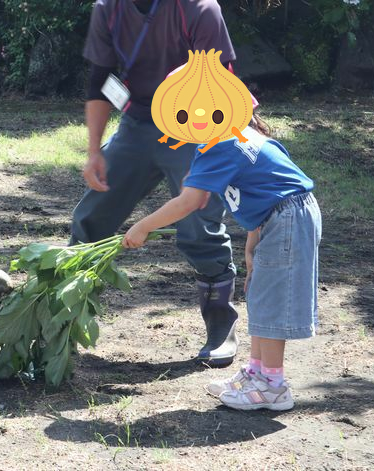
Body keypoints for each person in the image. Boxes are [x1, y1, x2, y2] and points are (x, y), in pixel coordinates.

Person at [76, 0, 241, 367]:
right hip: (137, 123)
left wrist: (205, 153)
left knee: (198, 224)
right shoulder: (108, 9)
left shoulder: (199, 9)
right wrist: (94, 152)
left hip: (195, 124)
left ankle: (220, 324)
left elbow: (221, 85)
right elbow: (101, 79)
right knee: (90, 216)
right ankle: (64, 321)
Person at [122, 110, 322, 411]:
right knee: (259, 296)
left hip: (288, 219)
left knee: (270, 303)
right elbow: (263, 189)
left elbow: (189, 202)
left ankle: (273, 387)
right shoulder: (234, 135)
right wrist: (251, 247)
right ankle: (256, 373)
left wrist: (143, 226)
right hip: (278, 218)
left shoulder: (219, 142)